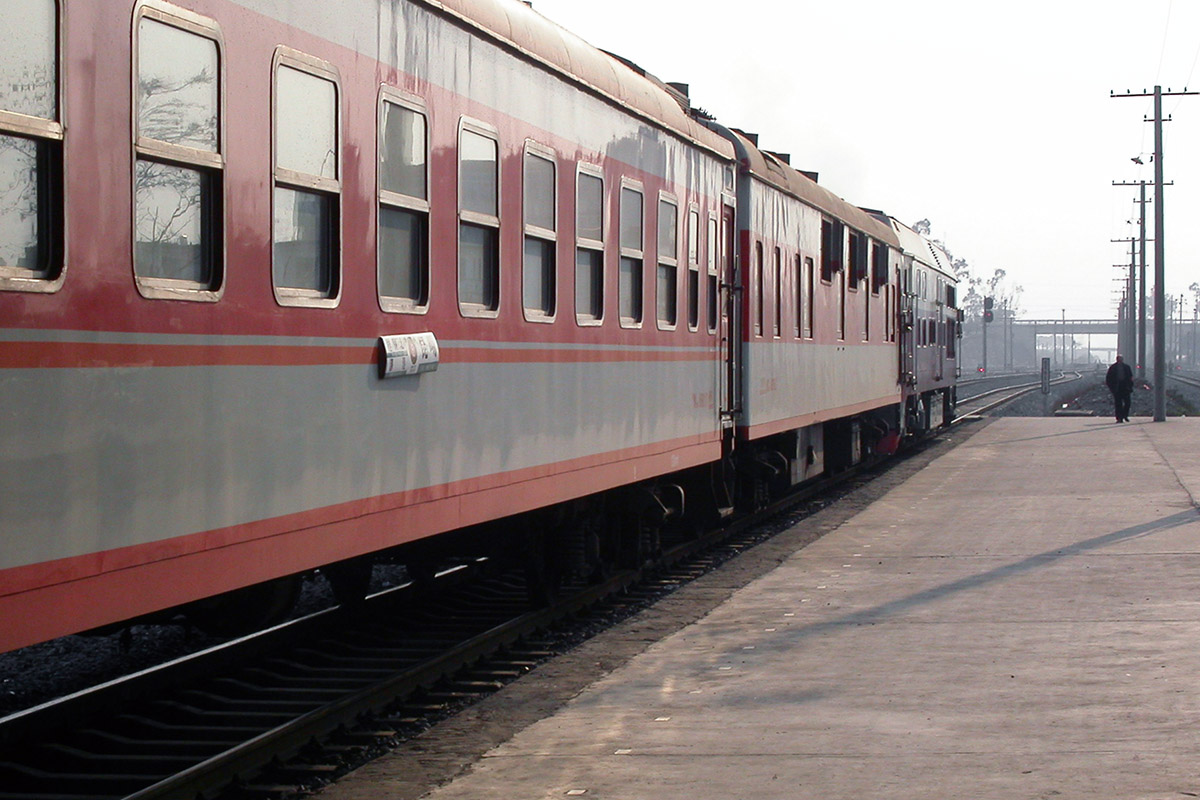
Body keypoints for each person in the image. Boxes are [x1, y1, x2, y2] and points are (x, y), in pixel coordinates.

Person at [1105, 355, 1134, 423]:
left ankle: (1125, 415)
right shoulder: (1113, 368)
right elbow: (1108, 378)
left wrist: (1130, 386)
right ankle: (1119, 418)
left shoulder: (1127, 367)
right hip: (1117, 387)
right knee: (1118, 404)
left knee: (1127, 403)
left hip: (1125, 387)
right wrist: (1111, 387)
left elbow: (1131, 377)